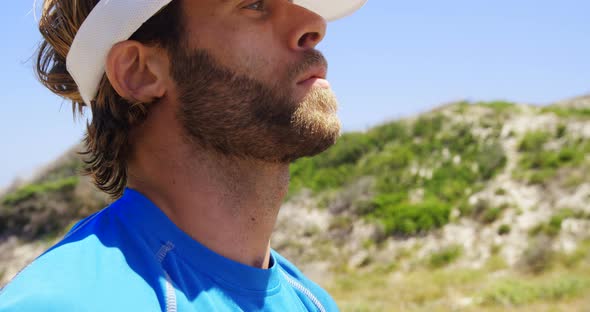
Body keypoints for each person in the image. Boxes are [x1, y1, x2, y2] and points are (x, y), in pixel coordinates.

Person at [0, 0, 366, 310]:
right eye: (254, 3)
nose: (314, 24)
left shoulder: (313, 302)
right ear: (139, 71)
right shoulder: (68, 302)